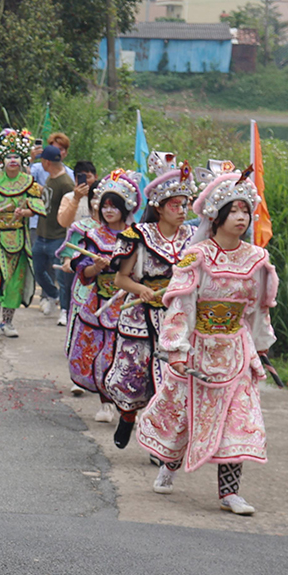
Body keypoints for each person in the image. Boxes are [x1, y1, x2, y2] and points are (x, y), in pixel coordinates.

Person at [137, 163, 275, 516]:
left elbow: (259, 310)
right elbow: (181, 307)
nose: (242, 218)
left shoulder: (258, 259)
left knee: (238, 420)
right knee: (186, 416)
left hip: (236, 351)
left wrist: (261, 348)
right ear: (217, 216)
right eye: (235, 211)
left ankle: (230, 493)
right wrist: (177, 350)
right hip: (199, 351)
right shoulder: (196, 257)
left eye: (246, 210)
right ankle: (169, 465)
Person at [104, 154, 198, 450]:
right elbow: (121, 280)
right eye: (175, 205)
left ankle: (160, 442)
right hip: (140, 317)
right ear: (158, 207)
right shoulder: (139, 236)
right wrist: (140, 289)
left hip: (177, 317)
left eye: (185, 205)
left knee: (170, 381)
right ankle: (128, 416)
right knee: (134, 377)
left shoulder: (194, 238)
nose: (182, 211)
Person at [61, 170, 140, 422]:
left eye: (114, 206)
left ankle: (128, 406)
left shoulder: (138, 236)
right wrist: (97, 267)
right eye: (105, 205)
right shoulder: (92, 236)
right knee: (102, 356)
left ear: (125, 208)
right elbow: (82, 269)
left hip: (129, 306)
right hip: (98, 304)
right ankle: (106, 404)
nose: (108, 211)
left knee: (127, 358)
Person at [0, 129, 46, 338]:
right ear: (2, 160)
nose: (13, 160)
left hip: (19, 237)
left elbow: (38, 207)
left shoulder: (29, 182)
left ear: (22, 159)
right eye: (9, 156)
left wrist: (24, 211)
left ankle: (7, 322)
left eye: (16, 156)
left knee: (15, 280)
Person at [32, 145, 75, 327]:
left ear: (47, 162)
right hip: (41, 233)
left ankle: (65, 310)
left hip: (57, 236)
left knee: (61, 277)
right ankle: (53, 294)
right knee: (38, 270)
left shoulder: (66, 183)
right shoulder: (50, 178)